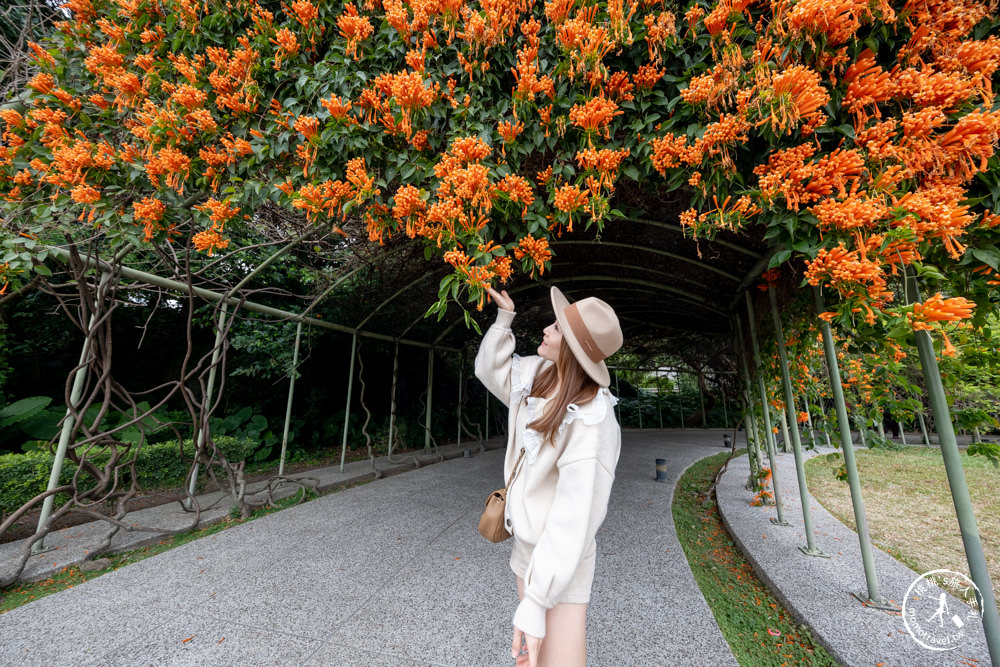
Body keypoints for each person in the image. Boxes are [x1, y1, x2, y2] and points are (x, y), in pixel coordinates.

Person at [475, 285, 623, 667]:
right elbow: (490, 370)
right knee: (532, 660)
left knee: (559, 660)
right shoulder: (539, 375)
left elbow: (575, 517)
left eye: (556, 328)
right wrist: (504, 317)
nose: (546, 329)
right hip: (529, 549)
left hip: (563, 557)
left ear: (572, 347)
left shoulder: (592, 419)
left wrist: (537, 603)